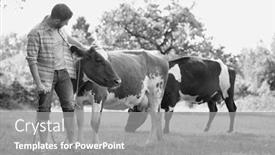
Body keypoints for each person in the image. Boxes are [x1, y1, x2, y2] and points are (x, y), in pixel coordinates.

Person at [26, 3, 85, 144]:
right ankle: (43, 145)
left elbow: (69, 38)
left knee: (70, 107)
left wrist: (84, 47)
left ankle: (71, 143)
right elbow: (32, 60)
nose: (67, 24)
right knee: (44, 109)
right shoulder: (35, 32)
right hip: (46, 77)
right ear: (57, 20)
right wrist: (39, 84)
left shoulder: (60, 29)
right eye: (65, 21)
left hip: (64, 74)